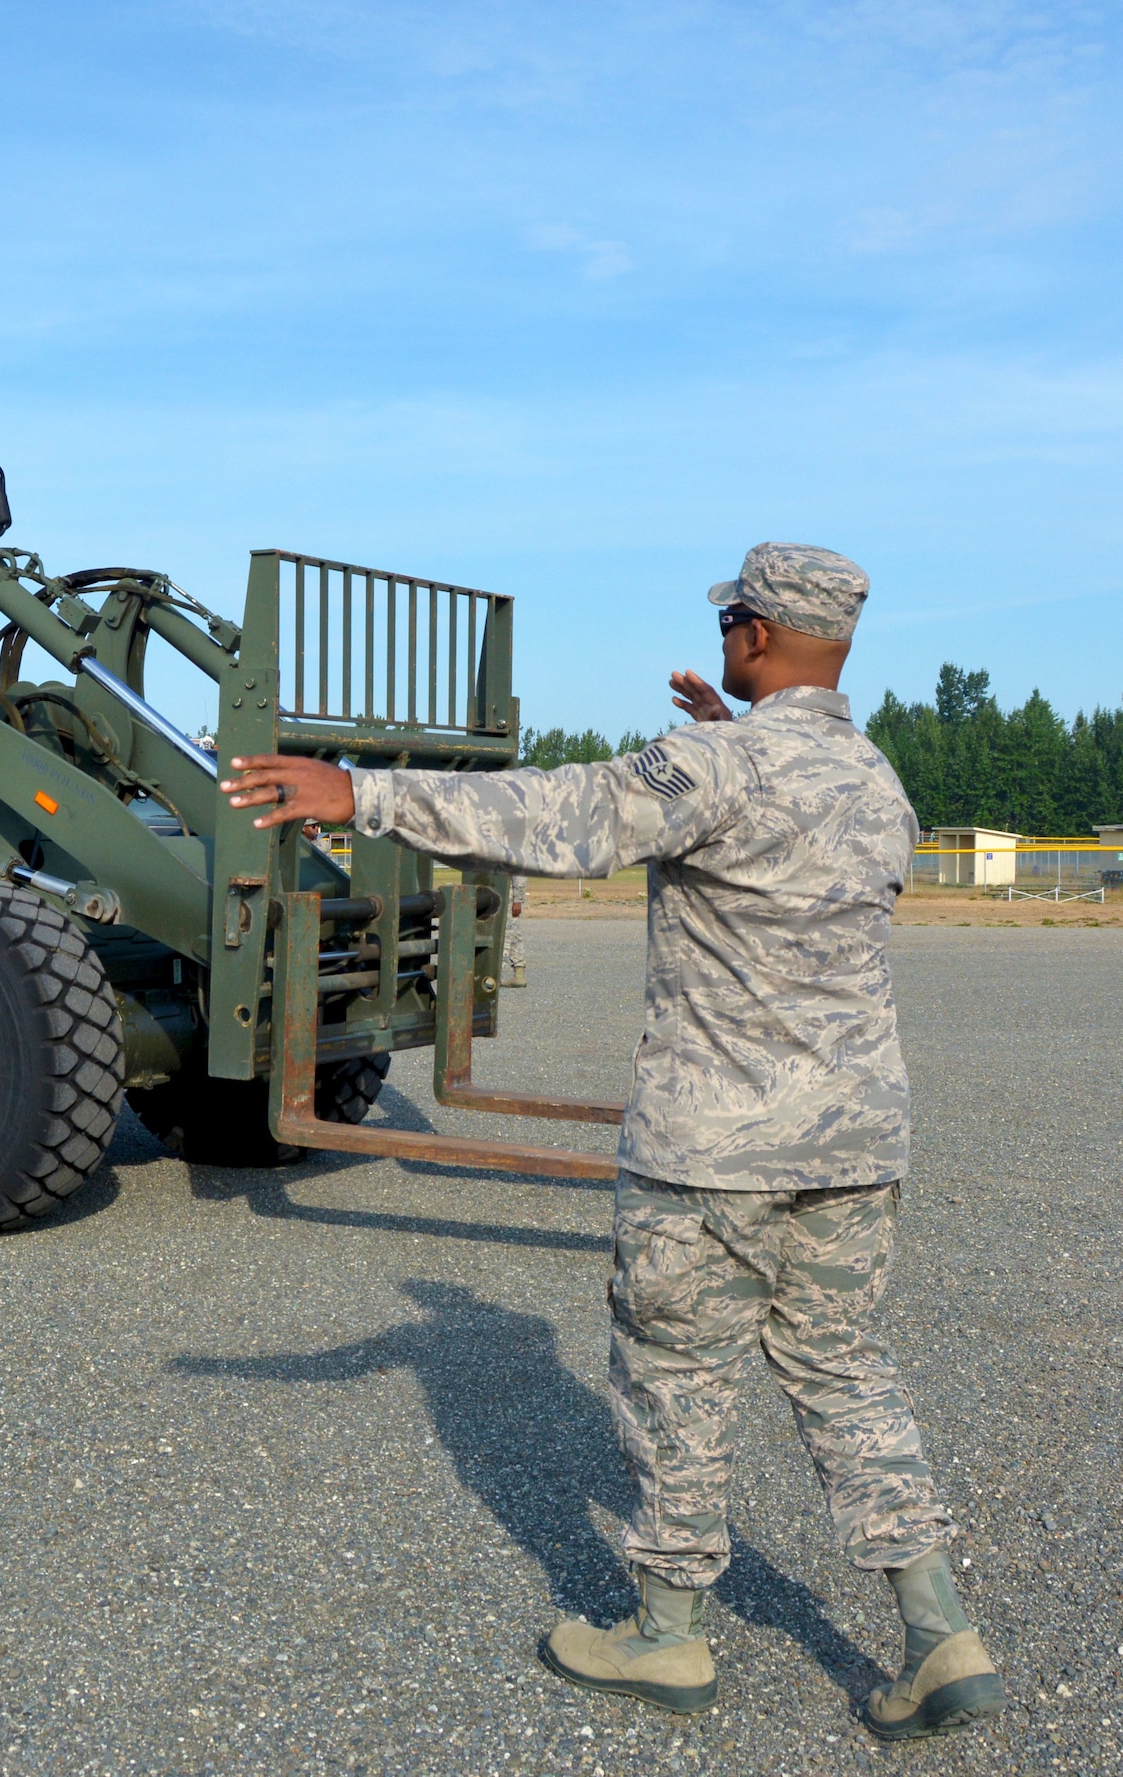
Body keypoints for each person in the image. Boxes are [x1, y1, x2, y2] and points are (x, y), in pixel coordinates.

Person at [218, 543, 1004, 1742]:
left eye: (731, 624)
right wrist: (717, 741)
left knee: (676, 1377)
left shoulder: (710, 764)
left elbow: (560, 812)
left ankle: (665, 1633)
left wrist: (362, 794)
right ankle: (936, 1626)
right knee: (844, 1372)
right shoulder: (871, 776)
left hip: (713, 1152)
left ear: (748, 633)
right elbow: (772, 841)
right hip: (852, 1144)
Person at [504, 873, 528, 986]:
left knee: (506, 934)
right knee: (514, 932)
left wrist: (517, 900)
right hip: (496, 890)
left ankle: (494, 974)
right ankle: (519, 974)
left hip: (507, 893)